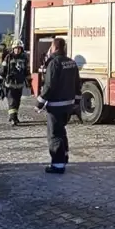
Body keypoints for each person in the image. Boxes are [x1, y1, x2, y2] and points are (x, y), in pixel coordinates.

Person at [38, 37, 80, 174]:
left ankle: (58, 165)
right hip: (68, 105)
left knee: (55, 134)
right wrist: (77, 102)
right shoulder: (72, 63)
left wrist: (40, 102)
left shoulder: (54, 63)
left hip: (55, 106)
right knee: (62, 132)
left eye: (51, 47)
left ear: (54, 48)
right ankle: (64, 155)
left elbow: (49, 85)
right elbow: (77, 85)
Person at [0, 39, 30, 126]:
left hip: (19, 84)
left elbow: (26, 70)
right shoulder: (8, 57)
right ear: (13, 48)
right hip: (10, 83)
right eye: (16, 48)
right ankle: (12, 118)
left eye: (19, 48)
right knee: (12, 101)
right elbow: (3, 69)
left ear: (21, 49)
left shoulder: (24, 58)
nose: (17, 50)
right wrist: (0, 82)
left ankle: (14, 116)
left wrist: (29, 81)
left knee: (17, 101)